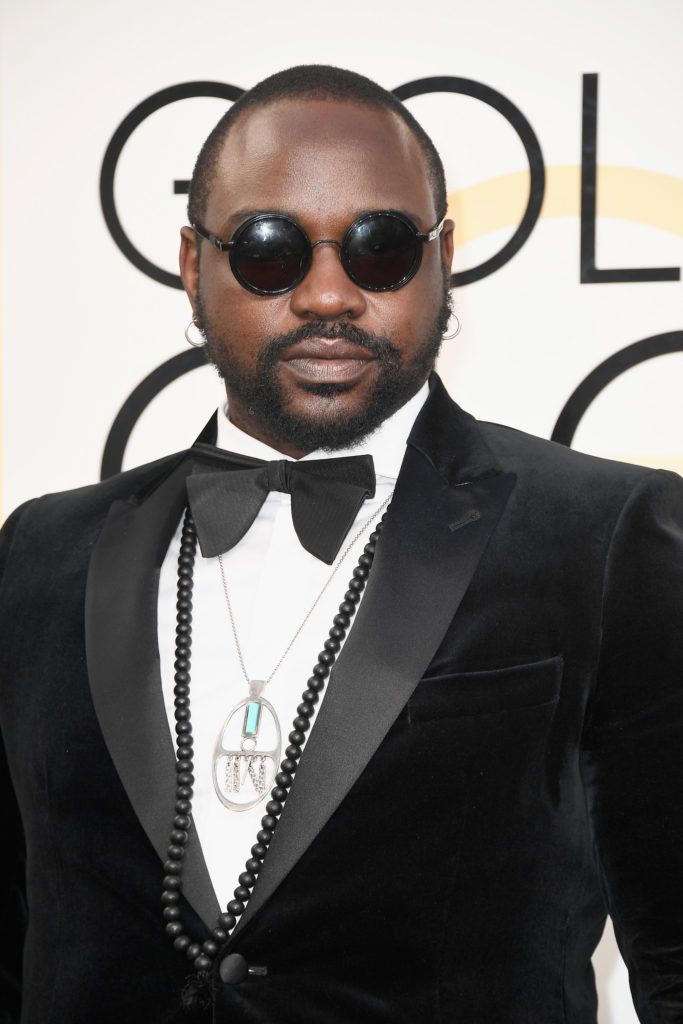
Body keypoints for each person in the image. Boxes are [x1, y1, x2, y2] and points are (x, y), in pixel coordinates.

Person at [1, 64, 681, 1024]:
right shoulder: (38, 554)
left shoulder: (606, 540)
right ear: (193, 264)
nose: (328, 296)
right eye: (270, 250)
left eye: (381, 247)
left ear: (443, 257)